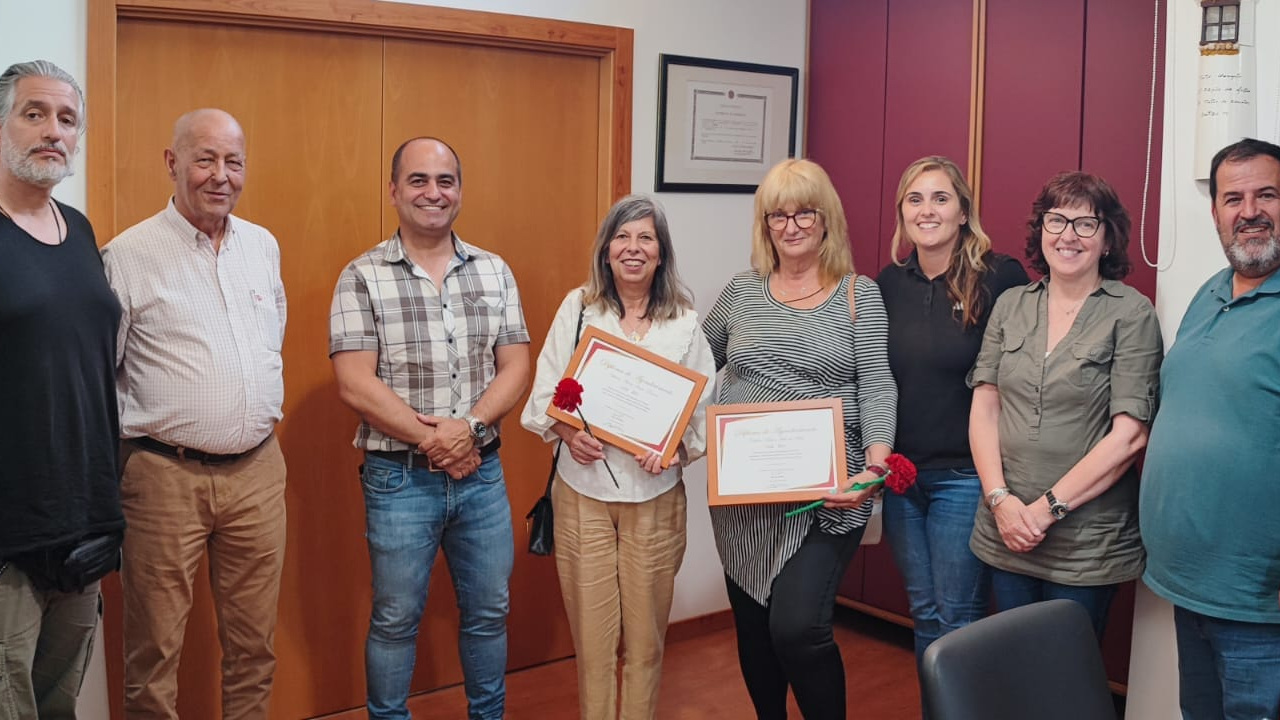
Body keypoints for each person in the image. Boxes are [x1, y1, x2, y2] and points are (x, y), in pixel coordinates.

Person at [330, 136, 531, 720]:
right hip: (398, 481)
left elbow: (516, 364)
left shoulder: (493, 271)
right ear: (394, 191)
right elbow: (354, 383)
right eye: (418, 180)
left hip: (482, 477)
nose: (432, 192)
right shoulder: (361, 276)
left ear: (459, 192)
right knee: (395, 619)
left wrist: (468, 428)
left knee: (489, 611)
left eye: (444, 181)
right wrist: (438, 441)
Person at [102, 108, 288, 720]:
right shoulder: (126, 255)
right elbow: (104, 375)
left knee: (254, 647)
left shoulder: (262, 245)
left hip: (258, 472)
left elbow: (270, 342)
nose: (220, 175)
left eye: (233, 161)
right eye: (205, 158)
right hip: (162, 478)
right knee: (153, 654)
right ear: (172, 162)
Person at [702, 158, 897, 720]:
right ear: (764, 225)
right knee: (755, 631)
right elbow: (694, 366)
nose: (791, 226)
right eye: (777, 215)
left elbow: (879, 387)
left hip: (825, 498)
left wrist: (874, 469)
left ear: (826, 217)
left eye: (804, 212)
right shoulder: (740, 291)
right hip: (743, 502)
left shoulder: (858, 295)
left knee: (797, 629)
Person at [520, 194, 715, 720]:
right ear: (606, 251)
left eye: (645, 238)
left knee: (647, 642)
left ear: (661, 252)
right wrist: (567, 431)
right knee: (594, 641)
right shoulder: (578, 309)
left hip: (654, 500)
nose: (633, 248)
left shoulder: (686, 324)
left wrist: (676, 450)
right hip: (583, 496)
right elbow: (542, 399)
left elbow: (699, 418)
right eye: (622, 237)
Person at [967, 171, 1162, 637]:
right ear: (1041, 232)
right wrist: (1001, 502)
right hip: (1006, 531)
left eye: (1085, 224)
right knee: (1014, 667)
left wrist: (1044, 510)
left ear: (1108, 240)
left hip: (1085, 544)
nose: (1068, 236)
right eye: (1056, 221)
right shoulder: (1011, 305)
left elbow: (1130, 435)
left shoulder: (1131, 314)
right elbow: (984, 407)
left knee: (1066, 678)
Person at [0, 59, 124, 720]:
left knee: (57, 705)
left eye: (67, 119)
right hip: (9, 533)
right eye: (34, 113)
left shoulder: (77, 231)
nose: (53, 130)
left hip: (81, 515)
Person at [1140, 137, 1280, 720]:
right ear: (1216, 211)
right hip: (1189, 585)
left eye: (1267, 194)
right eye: (1233, 198)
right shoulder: (1210, 292)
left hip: (1259, 605)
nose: (1249, 210)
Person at [876, 157, 1027, 683]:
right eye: (915, 199)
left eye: (940, 198)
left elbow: (1021, 376)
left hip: (965, 479)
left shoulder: (1000, 276)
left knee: (957, 620)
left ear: (963, 211)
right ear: (902, 212)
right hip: (902, 478)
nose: (927, 210)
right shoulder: (888, 283)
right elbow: (872, 379)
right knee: (925, 616)